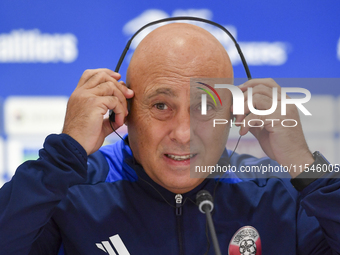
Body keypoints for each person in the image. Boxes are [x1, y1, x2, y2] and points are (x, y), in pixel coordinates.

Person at [0, 23, 339, 255]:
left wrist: (304, 164)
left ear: (235, 115)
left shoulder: (276, 194)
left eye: (205, 106)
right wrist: (65, 154)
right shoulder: (71, 192)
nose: (183, 133)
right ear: (125, 111)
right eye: (161, 106)